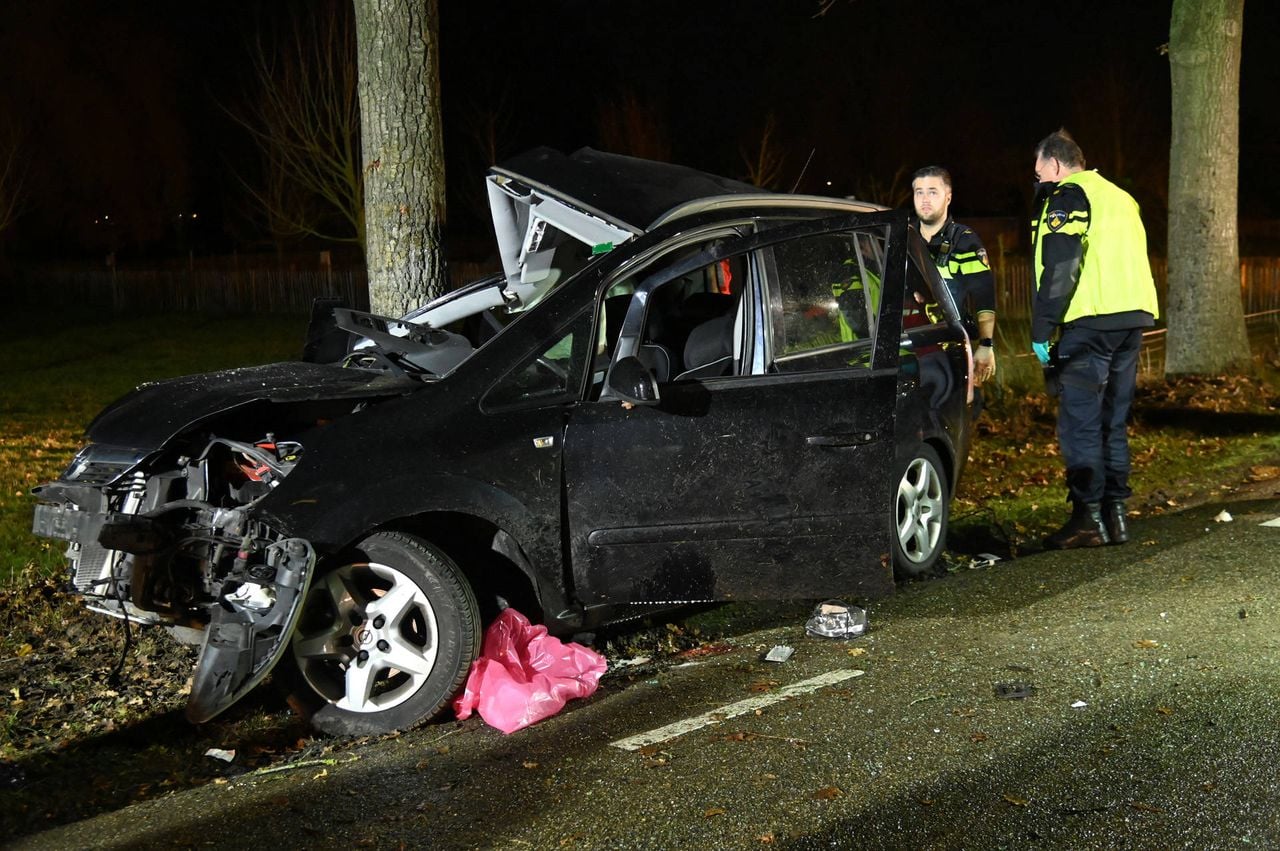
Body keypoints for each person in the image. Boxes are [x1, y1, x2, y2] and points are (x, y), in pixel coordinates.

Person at [1029, 129, 1160, 549]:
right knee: (1113, 421)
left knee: (1080, 424)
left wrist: (1041, 328)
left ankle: (1087, 519)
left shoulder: (1068, 196)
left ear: (1055, 164)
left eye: (1039, 173)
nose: (1039, 182)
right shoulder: (1121, 197)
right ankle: (1115, 516)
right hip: (1131, 319)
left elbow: (1062, 266)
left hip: (1090, 324)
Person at [910, 166, 997, 385]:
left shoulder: (964, 241)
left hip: (949, 352)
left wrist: (986, 346)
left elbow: (984, 297)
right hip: (906, 351)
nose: (924, 199)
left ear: (948, 197)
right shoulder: (902, 238)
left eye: (932, 192)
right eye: (919, 192)